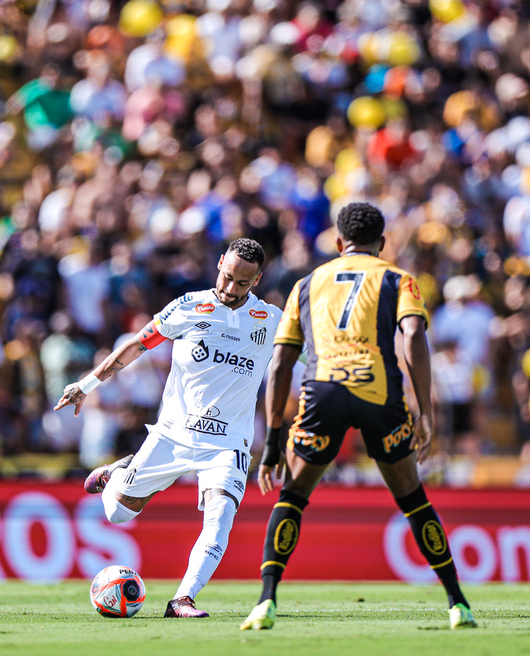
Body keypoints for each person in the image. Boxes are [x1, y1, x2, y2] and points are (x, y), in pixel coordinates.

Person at [240, 202, 476, 631]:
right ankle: (457, 602)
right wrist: (424, 408)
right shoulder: (398, 278)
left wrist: (273, 444)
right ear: (382, 243)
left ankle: (266, 600)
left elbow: (279, 365)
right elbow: (414, 336)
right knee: (413, 500)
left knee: (292, 497)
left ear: (338, 242)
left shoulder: (307, 283)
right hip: (378, 392)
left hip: (323, 392)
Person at [55, 238, 281, 618]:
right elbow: (136, 345)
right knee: (118, 514)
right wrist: (87, 384)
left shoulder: (271, 320)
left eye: (242, 283)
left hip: (227, 444)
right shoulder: (189, 306)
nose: (230, 288)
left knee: (221, 515)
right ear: (220, 262)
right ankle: (116, 473)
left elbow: (314, 355)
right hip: (173, 433)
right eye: (227, 277)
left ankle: (183, 599)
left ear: (256, 280)